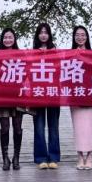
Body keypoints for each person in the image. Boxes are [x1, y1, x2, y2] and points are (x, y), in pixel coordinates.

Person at [0, 28, 24, 170]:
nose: (8, 40)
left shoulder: (20, 54)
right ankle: (5, 158)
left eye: (10, 37)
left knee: (17, 128)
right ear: (2, 39)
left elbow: (26, 72)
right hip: (2, 95)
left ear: (14, 39)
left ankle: (16, 157)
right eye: (5, 37)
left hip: (18, 95)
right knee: (4, 128)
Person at [32, 23, 61, 170]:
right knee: (39, 126)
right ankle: (41, 158)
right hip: (37, 94)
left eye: (46, 32)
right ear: (37, 35)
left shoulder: (56, 52)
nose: (43, 35)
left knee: (53, 126)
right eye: (41, 32)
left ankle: (54, 157)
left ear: (49, 35)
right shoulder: (32, 53)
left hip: (53, 93)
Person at [70, 25, 92, 170]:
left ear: (87, 37)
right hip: (75, 94)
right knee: (78, 127)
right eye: (77, 35)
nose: (80, 37)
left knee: (89, 126)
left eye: (83, 35)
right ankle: (80, 156)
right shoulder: (70, 54)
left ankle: (90, 156)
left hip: (90, 93)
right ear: (74, 37)